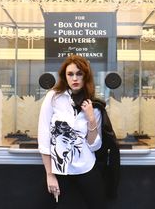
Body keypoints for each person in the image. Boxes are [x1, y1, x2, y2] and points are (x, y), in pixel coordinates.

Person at [38, 55, 106, 209]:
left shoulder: (94, 105)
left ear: (86, 77)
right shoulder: (53, 98)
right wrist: (50, 174)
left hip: (87, 166)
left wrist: (91, 119)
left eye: (79, 74)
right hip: (60, 169)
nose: (75, 78)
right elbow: (44, 137)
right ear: (65, 76)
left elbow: (94, 146)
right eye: (70, 74)